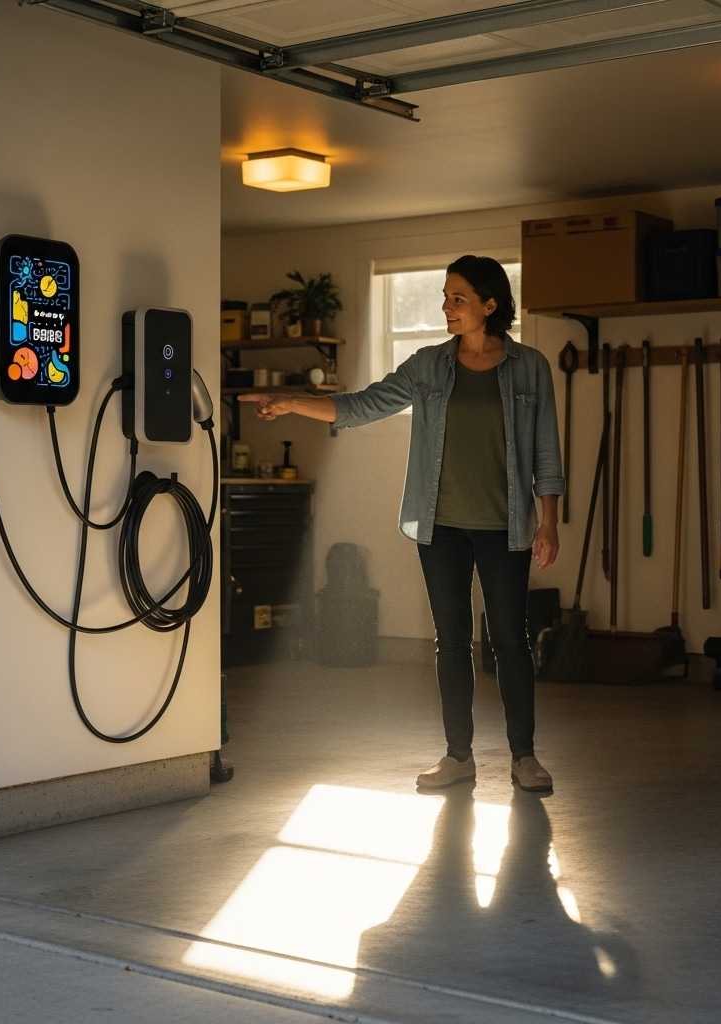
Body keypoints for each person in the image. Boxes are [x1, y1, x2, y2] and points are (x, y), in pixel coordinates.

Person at [240, 255, 564, 792]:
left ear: (490, 304)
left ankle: (524, 756)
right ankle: (458, 757)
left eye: (458, 298)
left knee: (510, 639)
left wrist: (548, 523)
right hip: (439, 528)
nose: (446, 307)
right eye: (444, 296)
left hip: (505, 526)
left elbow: (546, 452)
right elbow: (360, 406)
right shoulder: (428, 366)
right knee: (452, 639)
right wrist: (294, 402)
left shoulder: (530, 368)